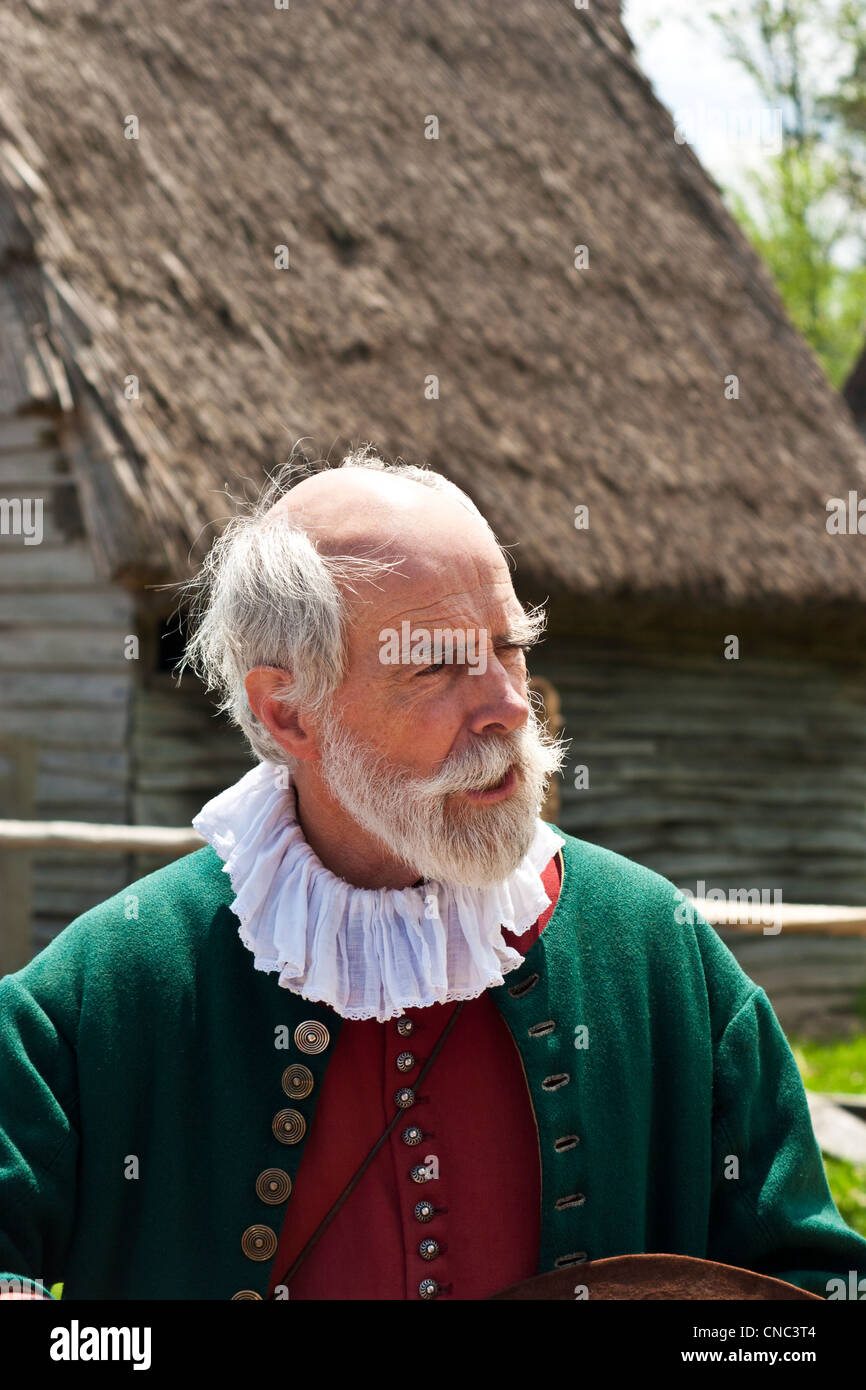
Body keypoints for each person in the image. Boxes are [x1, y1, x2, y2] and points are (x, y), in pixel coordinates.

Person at [1, 448, 864, 1301]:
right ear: (286, 710)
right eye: (438, 666)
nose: (509, 704)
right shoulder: (108, 986)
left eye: (509, 647)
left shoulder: (657, 955)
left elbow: (808, 1285)